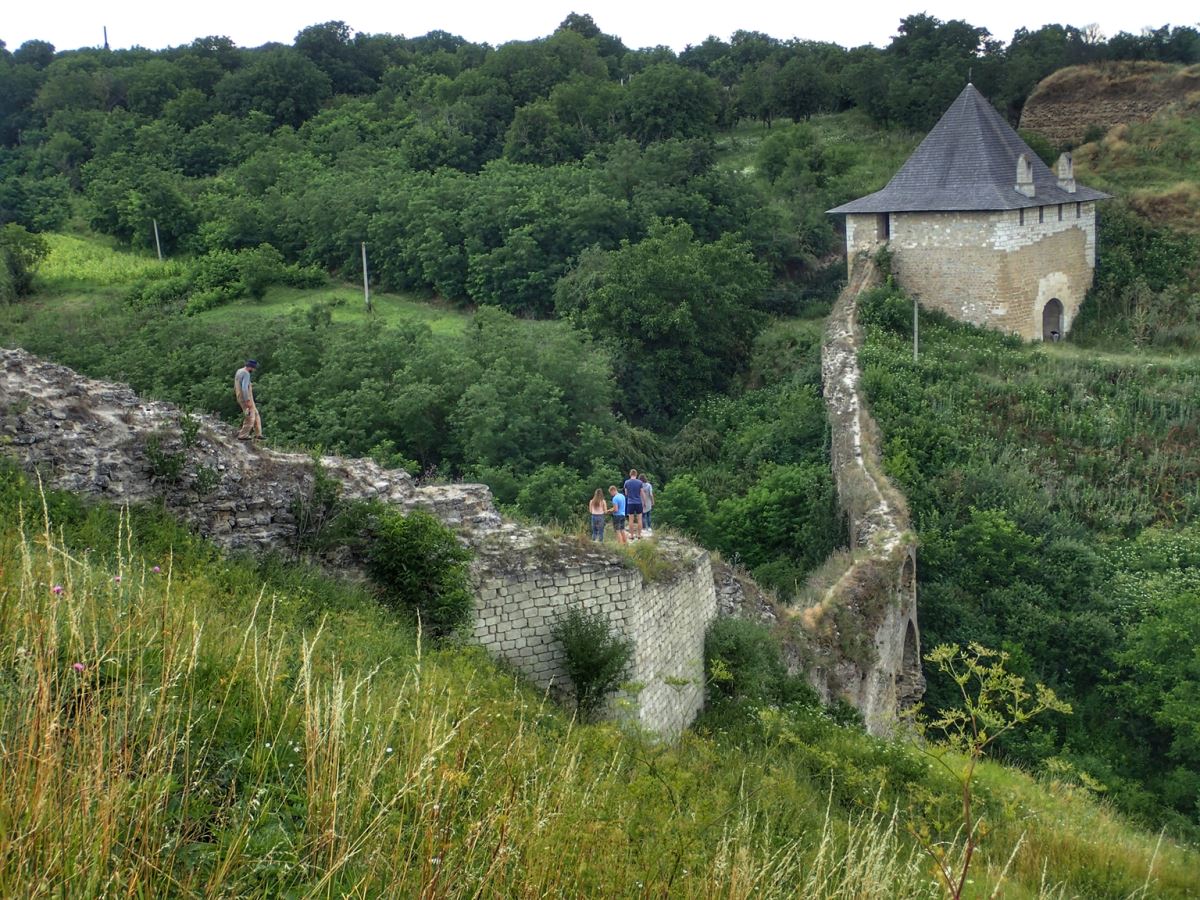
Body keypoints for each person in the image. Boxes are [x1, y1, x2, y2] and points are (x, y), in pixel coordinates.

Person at [234, 359, 262, 441]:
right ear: (251, 367)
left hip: (240, 396)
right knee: (250, 416)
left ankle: (258, 434)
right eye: (254, 368)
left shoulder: (239, 371)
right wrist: (247, 401)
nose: (254, 370)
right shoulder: (246, 374)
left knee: (256, 413)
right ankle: (243, 435)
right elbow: (244, 388)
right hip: (245, 398)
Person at [623, 469, 644, 541]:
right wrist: (643, 502)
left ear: (630, 474)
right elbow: (641, 493)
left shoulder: (627, 482)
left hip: (630, 502)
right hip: (638, 502)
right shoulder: (640, 482)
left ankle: (631, 535)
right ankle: (639, 535)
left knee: (631, 520)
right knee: (639, 519)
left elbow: (626, 493)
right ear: (636, 474)